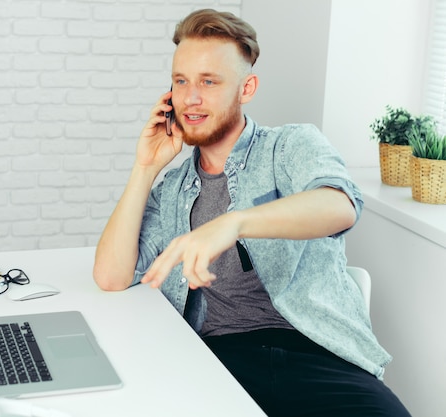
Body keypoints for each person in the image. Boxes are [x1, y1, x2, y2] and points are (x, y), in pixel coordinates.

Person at [93, 8, 410, 417]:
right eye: (181, 81)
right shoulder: (172, 189)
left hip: (318, 352)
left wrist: (233, 222)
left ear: (246, 89)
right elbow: (111, 276)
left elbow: (339, 204)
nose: (190, 98)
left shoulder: (292, 146)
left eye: (209, 81)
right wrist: (145, 167)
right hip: (219, 359)